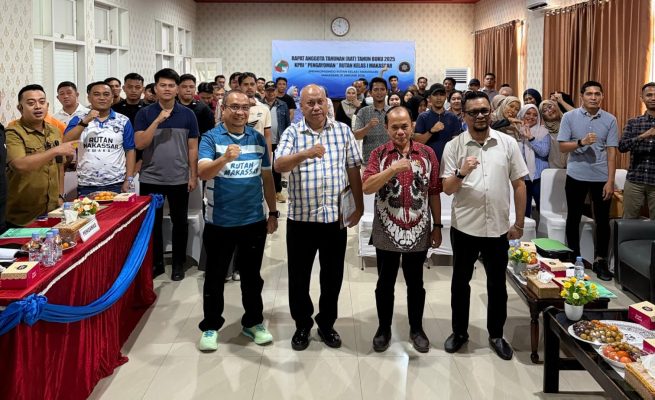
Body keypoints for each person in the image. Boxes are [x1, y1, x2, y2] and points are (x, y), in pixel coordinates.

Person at [274, 84, 364, 351]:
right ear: (301, 107)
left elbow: (353, 169)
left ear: (327, 104)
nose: (316, 107)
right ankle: (302, 324)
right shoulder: (293, 132)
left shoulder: (343, 131)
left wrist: (358, 206)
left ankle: (326, 323)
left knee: (333, 276)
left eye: (320, 102)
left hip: (334, 219)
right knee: (298, 277)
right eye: (310, 103)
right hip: (301, 220)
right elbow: (278, 164)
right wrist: (306, 153)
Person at [440, 91, 528, 361]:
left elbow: (519, 184)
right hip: (465, 227)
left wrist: (519, 223)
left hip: (498, 228)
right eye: (473, 112)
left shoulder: (507, 143)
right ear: (464, 115)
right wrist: (462, 172)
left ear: (491, 112)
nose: (480, 116)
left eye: (484, 111)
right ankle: (459, 332)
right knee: (460, 283)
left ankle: (496, 334)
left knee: (497, 284)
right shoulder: (454, 146)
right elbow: (447, 188)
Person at [196, 90, 278, 352]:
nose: (240, 112)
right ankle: (211, 326)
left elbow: (267, 178)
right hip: (220, 222)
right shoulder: (211, 137)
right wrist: (224, 158)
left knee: (252, 277)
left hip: (253, 221)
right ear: (223, 109)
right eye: (234, 107)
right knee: (215, 277)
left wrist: (273, 212)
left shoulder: (257, 139)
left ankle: (253, 322)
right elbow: (202, 172)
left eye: (245, 107)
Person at [362, 106, 442, 353]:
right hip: (387, 230)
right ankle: (383, 329)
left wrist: (437, 226)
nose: (400, 132)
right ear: (386, 128)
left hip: (419, 229)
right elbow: (367, 187)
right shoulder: (378, 154)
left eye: (404, 126)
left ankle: (416, 329)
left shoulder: (427, 153)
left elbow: (434, 192)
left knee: (416, 283)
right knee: (384, 283)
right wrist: (393, 169)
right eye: (394, 127)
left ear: (412, 126)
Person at [134, 68, 199, 281]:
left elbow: (192, 148)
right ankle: (156, 263)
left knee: (180, 222)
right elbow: (139, 144)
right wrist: (157, 121)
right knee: (152, 223)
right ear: (155, 88)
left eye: (172, 85)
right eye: (163, 85)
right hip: (150, 178)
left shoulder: (188, 115)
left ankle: (179, 263)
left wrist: (193, 175)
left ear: (177, 89)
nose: (167, 89)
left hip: (179, 177)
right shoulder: (144, 114)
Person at [558, 80, 618, 281]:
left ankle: (600, 260)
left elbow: (612, 152)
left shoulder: (610, 119)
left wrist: (610, 180)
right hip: (576, 175)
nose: (593, 97)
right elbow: (562, 147)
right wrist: (581, 142)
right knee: (573, 217)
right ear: (582, 96)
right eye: (589, 94)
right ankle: (574, 258)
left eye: (597, 94)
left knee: (602, 220)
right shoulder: (569, 117)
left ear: (602, 96)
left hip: (601, 177)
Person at [5, 84, 76, 226]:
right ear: (20, 108)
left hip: (52, 210)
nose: (38, 106)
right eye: (31, 103)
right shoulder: (13, 132)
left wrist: (60, 195)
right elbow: (19, 165)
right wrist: (55, 150)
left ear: (47, 105)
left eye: (42, 102)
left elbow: (59, 166)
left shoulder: (54, 130)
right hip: (24, 214)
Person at [63, 81, 136, 196]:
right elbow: (66, 141)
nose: (102, 98)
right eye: (97, 94)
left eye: (106, 94)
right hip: (86, 184)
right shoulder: (78, 119)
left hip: (116, 183)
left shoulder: (123, 120)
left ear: (112, 98)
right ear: (89, 98)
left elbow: (130, 150)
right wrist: (85, 121)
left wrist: (129, 179)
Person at [618, 82, 655, 219]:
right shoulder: (633, 122)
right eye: (649, 95)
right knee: (629, 220)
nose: (653, 98)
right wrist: (642, 136)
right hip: (634, 180)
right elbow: (622, 147)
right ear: (642, 98)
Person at [414, 83, 462, 162]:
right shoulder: (422, 117)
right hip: (427, 161)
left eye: (441, 95)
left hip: (448, 161)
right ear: (430, 98)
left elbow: (457, 144)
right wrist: (431, 131)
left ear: (445, 97)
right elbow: (417, 142)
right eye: (435, 95)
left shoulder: (452, 117)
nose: (439, 98)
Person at [517, 104, 550, 218]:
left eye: (535, 115)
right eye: (528, 113)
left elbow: (544, 152)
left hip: (538, 176)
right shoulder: (515, 131)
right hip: (522, 176)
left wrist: (531, 138)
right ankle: (525, 229)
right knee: (523, 209)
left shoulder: (543, 132)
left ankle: (543, 229)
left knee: (543, 208)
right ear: (522, 114)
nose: (531, 117)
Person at [263, 80, 291, 203]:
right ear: (265, 91)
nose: (271, 93)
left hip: (278, 141)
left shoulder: (283, 104)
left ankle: (278, 191)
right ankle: (264, 191)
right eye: (268, 91)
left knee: (277, 168)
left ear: (276, 91)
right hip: (263, 141)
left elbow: (287, 123)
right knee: (264, 166)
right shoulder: (259, 105)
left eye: (273, 90)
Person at [353, 77, 391, 164]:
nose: (379, 92)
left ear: (386, 92)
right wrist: (368, 127)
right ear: (370, 92)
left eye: (382, 89)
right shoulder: (363, 111)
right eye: (376, 90)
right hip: (370, 160)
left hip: (391, 158)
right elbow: (356, 136)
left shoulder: (392, 111)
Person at [539, 99, 567, 169]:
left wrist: (561, 101)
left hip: (572, 170)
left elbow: (579, 117)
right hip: (553, 171)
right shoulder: (542, 131)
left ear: (556, 106)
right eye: (544, 111)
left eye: (550, 106)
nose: (549, 111)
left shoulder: (568, 124)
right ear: (543, 116)